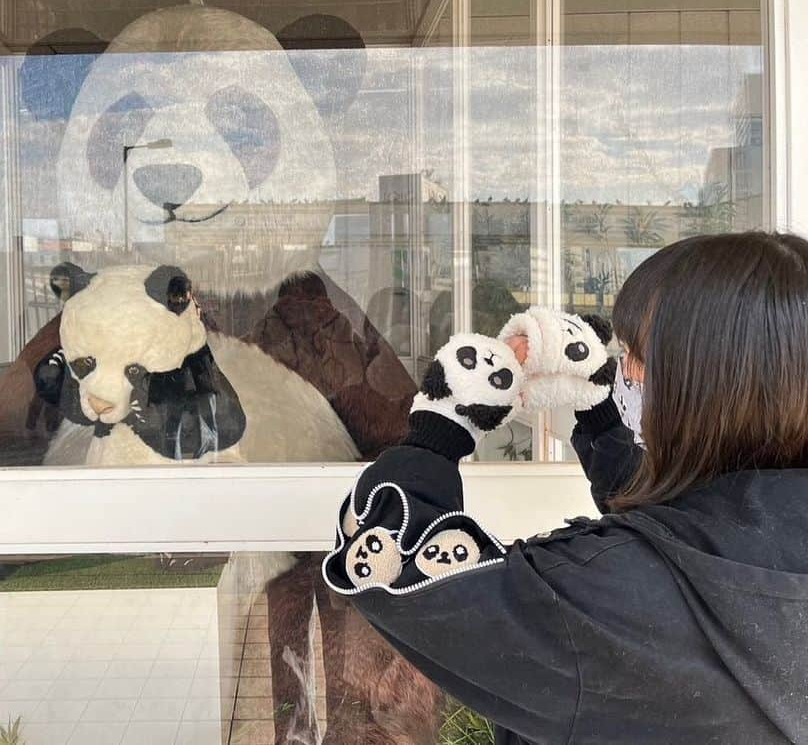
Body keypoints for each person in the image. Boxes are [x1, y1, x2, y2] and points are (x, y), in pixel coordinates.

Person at [323, 232, 808, 744]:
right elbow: (703, 523)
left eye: (639, 356)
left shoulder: (605, 601)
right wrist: (601, 419)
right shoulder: (738, 561)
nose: (628, 374)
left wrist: (444, 421)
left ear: (705, 385)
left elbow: (396, 572)